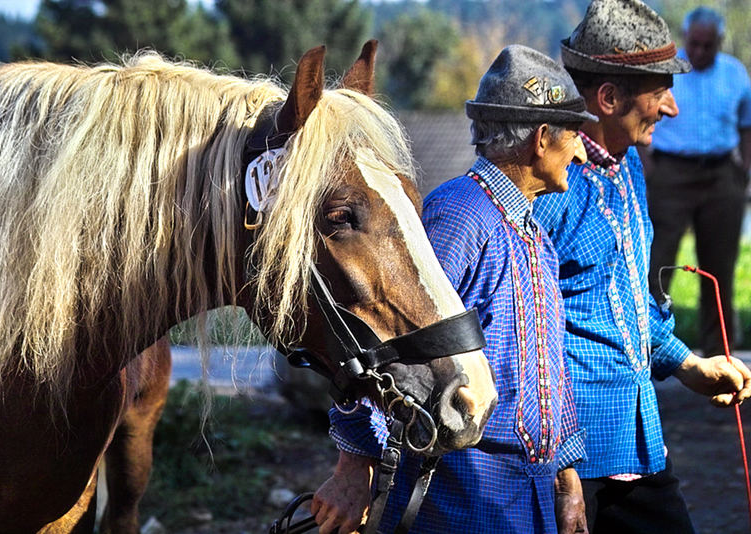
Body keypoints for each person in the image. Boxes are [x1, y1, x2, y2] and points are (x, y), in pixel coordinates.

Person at [311, 44, 594, 534]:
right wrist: (353, 466)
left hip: (531, 496)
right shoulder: (459, 215)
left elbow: (551, 366)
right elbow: (375, 343)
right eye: (575, 134)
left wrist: (568, 482)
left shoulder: (535, 234)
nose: (583, 150)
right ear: (543, 139)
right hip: (461, 497)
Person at [532, 1, 751, 532]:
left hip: (639, 444)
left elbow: (625, 299)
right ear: (608, 98)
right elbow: (520, 333)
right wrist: (562, 476)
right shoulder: (546, 187)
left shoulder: (628, 163)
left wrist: (688, 365)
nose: (672, 109)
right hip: (572, 463)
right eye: (660, 94)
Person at [644, 6, 751, 356]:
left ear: (719, 43)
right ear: (686, 40)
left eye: (709, 46)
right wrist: (648, 168)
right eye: (695, 44)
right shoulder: (668, 70)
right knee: (656, 262)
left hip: (721, 174)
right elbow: (643, 119)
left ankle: (719, 354)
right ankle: (649, 347)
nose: (701, 52)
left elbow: (746, 126)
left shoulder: (735, 75)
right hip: (670, 174)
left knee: (719, 268)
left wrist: (743, 169)